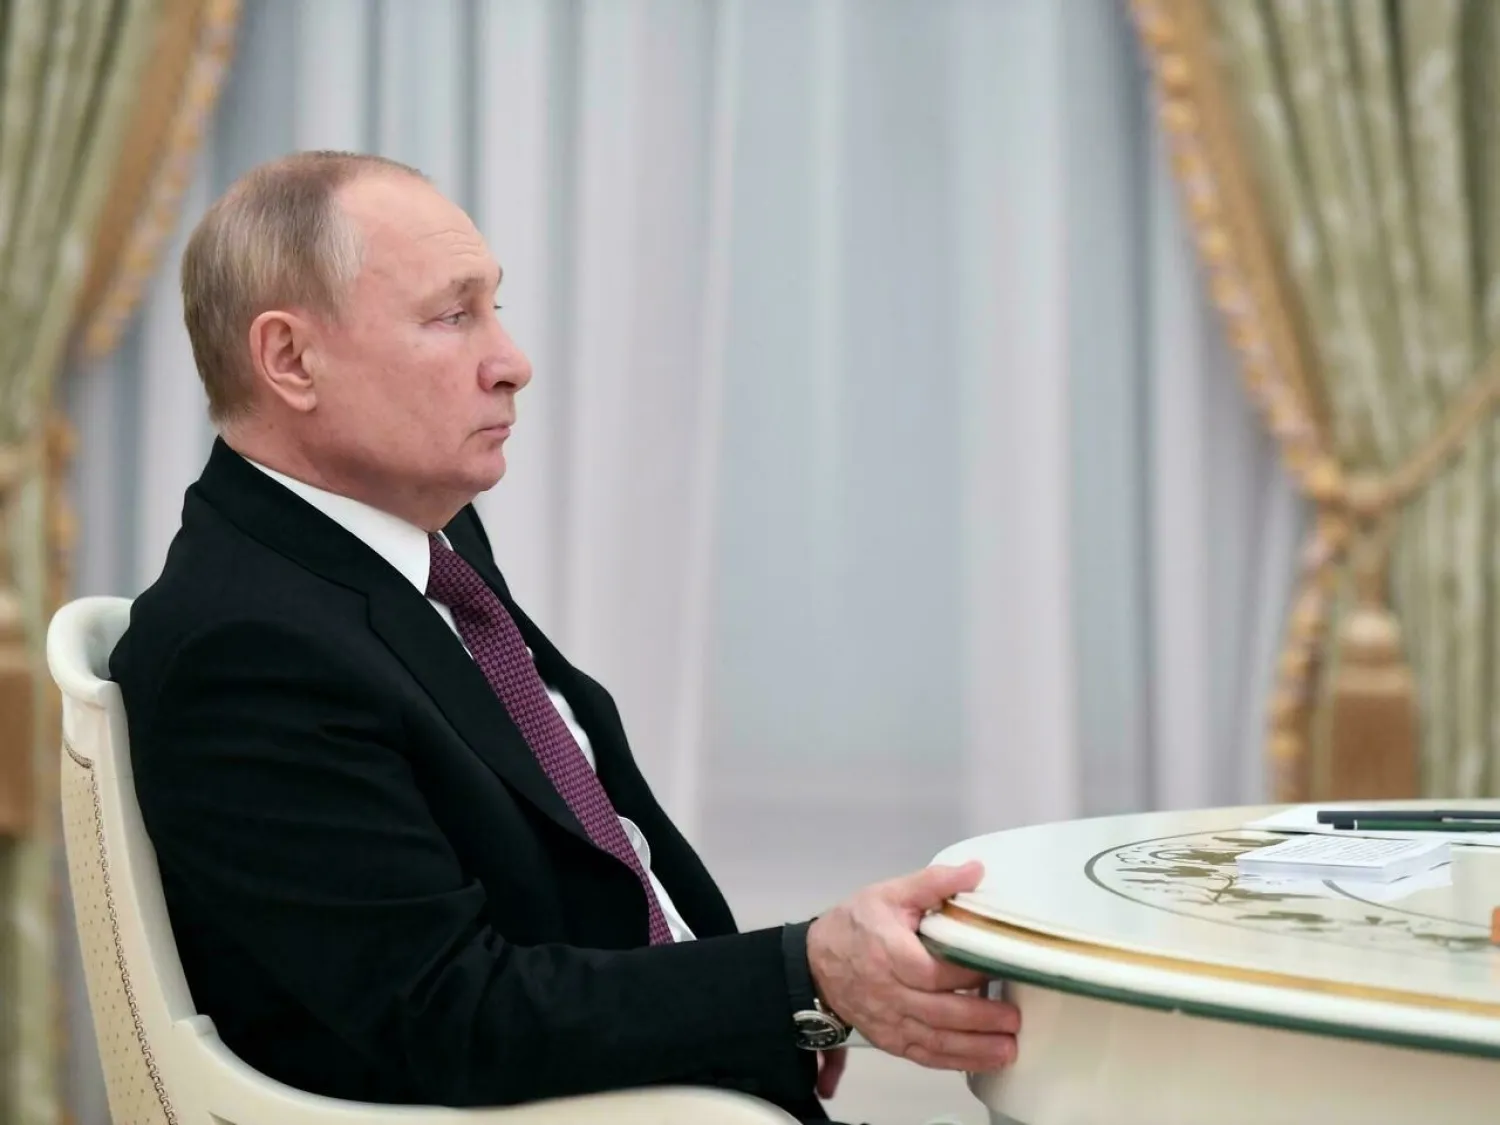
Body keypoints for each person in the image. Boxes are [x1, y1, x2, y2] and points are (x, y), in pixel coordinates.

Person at [110, 151, 1020, 1124]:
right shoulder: (245, 647)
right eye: (453, 315)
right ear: (290, 360)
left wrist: (791, 1009)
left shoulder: (414, 536)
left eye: (494, 307)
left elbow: (582, 869)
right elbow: (452, 1018)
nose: (512, 360)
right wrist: (803, 978)